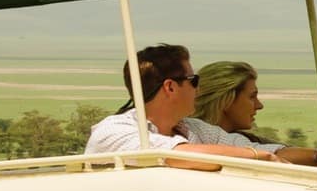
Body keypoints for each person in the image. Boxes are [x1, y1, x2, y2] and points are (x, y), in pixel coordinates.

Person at [84, 44, 281, 168]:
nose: (199, 88)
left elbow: (246, 147)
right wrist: (259, 157)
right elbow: (174, 155)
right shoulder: (114, 131)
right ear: (170, 87)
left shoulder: (192, 128)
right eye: (193, 80)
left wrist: (311, 155)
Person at [184, 61, 317, 170]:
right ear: (226, 100)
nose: (259, 105)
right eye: (251, 96)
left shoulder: (236, 139)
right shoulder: (191, 134)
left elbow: (268, 151)